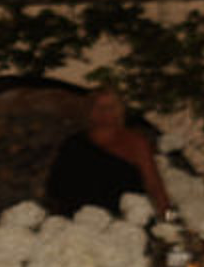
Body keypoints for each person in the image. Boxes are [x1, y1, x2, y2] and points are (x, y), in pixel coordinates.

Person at [47, 86, 169, 217]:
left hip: (124, 218)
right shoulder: (74, 144)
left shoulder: (136, 143)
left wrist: (169, 218)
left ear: (119, 111)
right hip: (81, 218)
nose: (105, 113)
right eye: (99, 108)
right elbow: (57, 187)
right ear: (90, 111)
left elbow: (154, 185)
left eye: (110, 108)